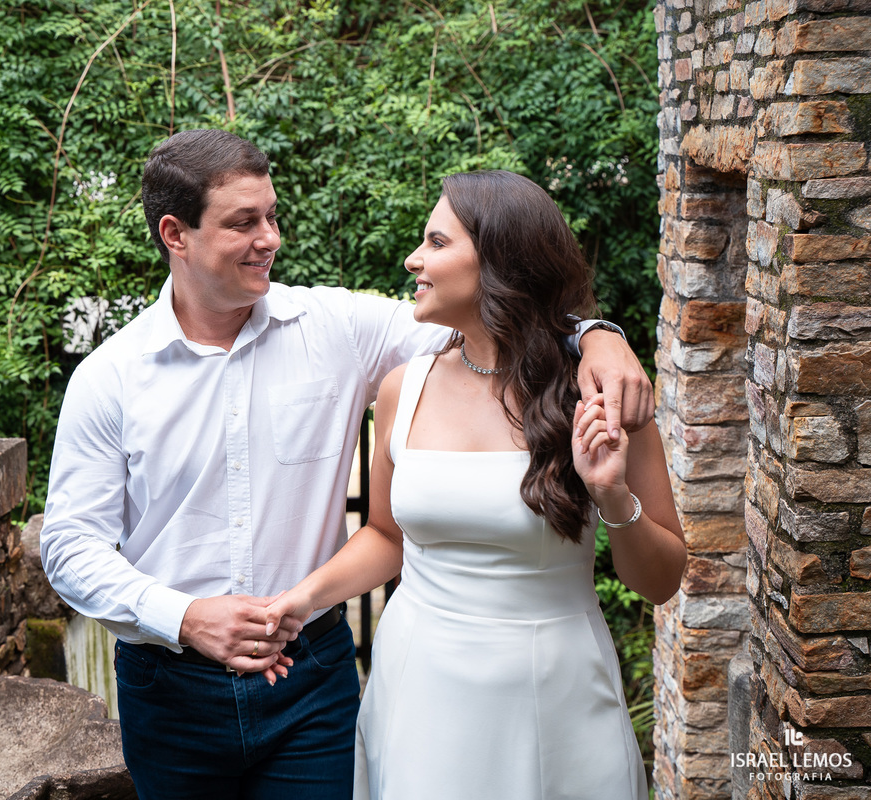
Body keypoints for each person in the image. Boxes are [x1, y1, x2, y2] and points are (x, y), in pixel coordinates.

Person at [40, 131, 654, 800]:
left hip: (313, 681)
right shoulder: (110, 379)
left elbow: (498, 319)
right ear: (175, 234)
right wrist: (186, 616)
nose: (270, 237)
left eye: (272, 216)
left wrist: (597, 337)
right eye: (244, 222)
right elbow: (70, 547)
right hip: (170, 689)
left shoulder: (336, 329)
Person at [263, 170, 686, 800]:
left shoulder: (596, 390)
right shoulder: (403, 386)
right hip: (419, 683)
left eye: (436, 243)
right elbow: (386, 535)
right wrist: (297, 604)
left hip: (554, 686)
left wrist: (611, 496)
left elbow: (662, 580)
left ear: (498, 261)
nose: (414, 259)